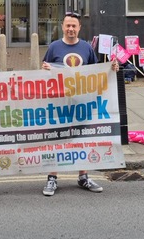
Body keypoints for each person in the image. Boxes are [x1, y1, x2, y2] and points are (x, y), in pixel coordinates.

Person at [40, 11, 119, 197]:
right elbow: (43, 73)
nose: (70, 29)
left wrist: (112, 68)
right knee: (57, 139)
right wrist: (45, 69)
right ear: (62, 27)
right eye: (67, 25)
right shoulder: (54, 47)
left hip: (82, 103)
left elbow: (97, 72)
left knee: (82, 139)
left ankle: (83, 176)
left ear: (79, 28)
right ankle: (52, 178)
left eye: (74, 26)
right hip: (59, 103)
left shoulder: (86, 48)